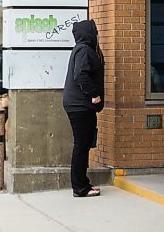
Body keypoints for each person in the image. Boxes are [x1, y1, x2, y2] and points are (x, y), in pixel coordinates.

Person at [63, 19, 104, 198]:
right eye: (95, 31)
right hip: (80, 105)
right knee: (81, 145)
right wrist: (93, 94)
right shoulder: (84, 50)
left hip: (78, 105)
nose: (97, 35)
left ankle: (82, 184)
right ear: (89, 33)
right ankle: (80, 187)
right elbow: (81, 74)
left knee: (83, 145)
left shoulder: (81, 49)